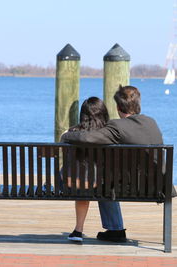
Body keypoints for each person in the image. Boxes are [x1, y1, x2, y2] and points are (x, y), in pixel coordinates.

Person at [61, 85, 163, 242]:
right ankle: (115, 229)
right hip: (157, 185)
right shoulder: (151, 122)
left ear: (117, 107)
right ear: (138, 104)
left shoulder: (117, 126)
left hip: (126, 187)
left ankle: (106, 229)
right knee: (105, 179)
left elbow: (88, 138)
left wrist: (67, 135)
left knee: (102, 182)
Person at [62, 97, 109, 242]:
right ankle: (115, 228)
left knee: (81, 177)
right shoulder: (108, 134)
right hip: (99, 184)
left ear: (82, 114)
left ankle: (78, 230)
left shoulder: (70, 133)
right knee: (92, 177)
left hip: (70, 183)